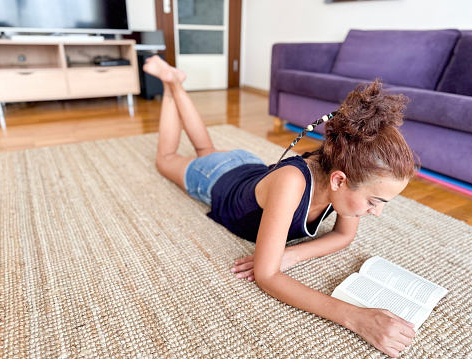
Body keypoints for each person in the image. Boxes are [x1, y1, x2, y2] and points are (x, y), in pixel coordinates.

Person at [143, 55, 417, 358]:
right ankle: (171, 86)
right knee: (166, 159)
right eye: (373, 202)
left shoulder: (345, 178)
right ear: (339, 180)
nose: (375, 212)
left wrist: (290, 254)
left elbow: (343, 236)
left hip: (250, 167)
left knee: (206, 148)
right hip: (217, 177)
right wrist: (357, 317)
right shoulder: (294, 183)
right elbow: (267, 275)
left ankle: (175, 83)